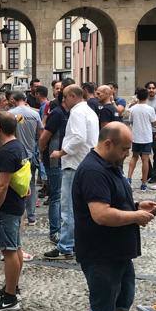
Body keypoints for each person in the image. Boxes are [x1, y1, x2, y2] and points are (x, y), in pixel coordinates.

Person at [75, 122, 156, 311]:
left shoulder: (111, 166)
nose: (127, 153)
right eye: (124, 149)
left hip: (120, 252)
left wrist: (136, 206)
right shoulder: (92, 171)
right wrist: (136, 216)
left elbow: (114, 203)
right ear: (108, 144)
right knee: (100, 310)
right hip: (100, 253)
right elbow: (101, 214)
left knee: (122, 301)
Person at [45, 85, 98, 261]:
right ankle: (77, 243)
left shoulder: (77, 112)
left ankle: (66, 245)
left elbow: (78, 137)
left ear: (73, 96)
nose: (63, 101)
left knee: (68, 208)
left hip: (74, 164)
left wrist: (61, 152)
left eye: (65, 97)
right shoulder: (89, 111)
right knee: (82, 208)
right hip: (86, 162)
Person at [0, 111, 28, 311]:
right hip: (16, 204)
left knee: (9, 251)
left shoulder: (6, 152)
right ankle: (13, 287)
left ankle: (10, 297)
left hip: (6, 207)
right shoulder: (18, 146)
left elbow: (2, 186)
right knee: (16, 248)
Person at [39, 89, 68, 245]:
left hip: (63, 160)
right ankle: (55, 231)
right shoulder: (57, 113)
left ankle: (61, 229)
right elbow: (45, 136)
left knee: (61, 196)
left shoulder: (68, 112)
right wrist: (43, 153)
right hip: (54, 160)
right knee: (56, 196)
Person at [8, 91, 42, 226]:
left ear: (13, 100)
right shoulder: (34, 114)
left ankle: (18, 214)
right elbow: (40, 133)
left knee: (15, 185)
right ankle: (32, 216)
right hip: (31, 153)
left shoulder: (11, 114)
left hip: (15, 153)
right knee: (31, 185)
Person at [126, 88, 156, 190]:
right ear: (147, 97)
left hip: (136, 137)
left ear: (137, 97)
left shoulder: (133, 109)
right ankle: (144, 183)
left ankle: (129, 178)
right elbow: (154, 122)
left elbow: (130, 121)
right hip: (147, 137)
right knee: (145, 160)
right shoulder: (150, 109)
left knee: (134, 157)